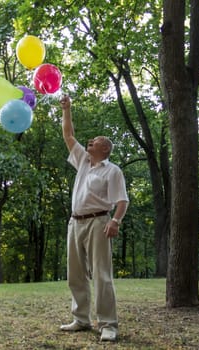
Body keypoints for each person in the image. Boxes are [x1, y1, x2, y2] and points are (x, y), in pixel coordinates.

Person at [59, 95, 129, 342]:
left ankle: (108, 324)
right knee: (75, 274)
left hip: (99, 223)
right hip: (75, 223)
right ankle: (81, 319)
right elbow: (68, 136)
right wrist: (68, 109)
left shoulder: (112, 171)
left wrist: (115, 221)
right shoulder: (84, 162)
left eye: (95, 141)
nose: (89, 142)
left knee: (101, 274)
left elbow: (122, 201)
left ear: (105, 149)